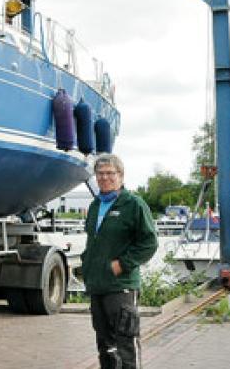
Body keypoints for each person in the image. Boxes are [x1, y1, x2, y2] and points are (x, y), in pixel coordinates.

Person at [80, 153, 158, 369]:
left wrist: (122, 264)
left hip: (121, 287)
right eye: (100, 174)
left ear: (121, 176)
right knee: (105, 345)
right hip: (98, 286)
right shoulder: (95, 205)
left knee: (126, 341)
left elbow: (149, 243)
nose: (104, 178)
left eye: (110, 173)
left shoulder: (133, 204)